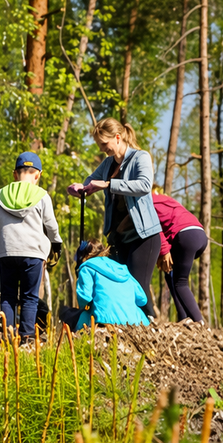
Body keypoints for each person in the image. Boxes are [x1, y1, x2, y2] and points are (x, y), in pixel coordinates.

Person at [67, 118, 169, 320]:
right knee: (117, 284)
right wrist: (81, 188)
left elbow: (144, 186)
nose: (102, 149)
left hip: (143, 236)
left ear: (117, 137)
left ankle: (148, 324)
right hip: (118, 238)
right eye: (99, 145)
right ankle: (124, 325)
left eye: (104, 144)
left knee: (137, 285)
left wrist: (108, 185)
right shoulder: (108, 164)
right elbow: (90, 181)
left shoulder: (140, 157)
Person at [0, 151, 63, 343]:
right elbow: (51, 225)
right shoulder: (42, 196)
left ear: (15, 174)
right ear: (38, 175)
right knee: (29, 297)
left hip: (6, 253)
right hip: (33, 254)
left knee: (8, 296)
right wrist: (56, 244)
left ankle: (7, 336)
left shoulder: (0, 196)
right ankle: (27, 337)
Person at [151, 190, 208, 324]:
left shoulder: (146, 201)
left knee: (180, 283)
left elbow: (154, 227)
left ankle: (200, 323)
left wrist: (164, 250)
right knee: (170, 274)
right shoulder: (167, 200)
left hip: (185, 235)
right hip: (200, 234)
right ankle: (184, 319)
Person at [75, 239, 150, 330]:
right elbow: (142, 299)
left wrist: (83, 306)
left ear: (82, 257)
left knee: (83, 316)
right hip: (133, 322)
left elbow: (85, 297)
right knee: (139, 311)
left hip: (104, 320)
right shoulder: (122, 268)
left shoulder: (86, 268)